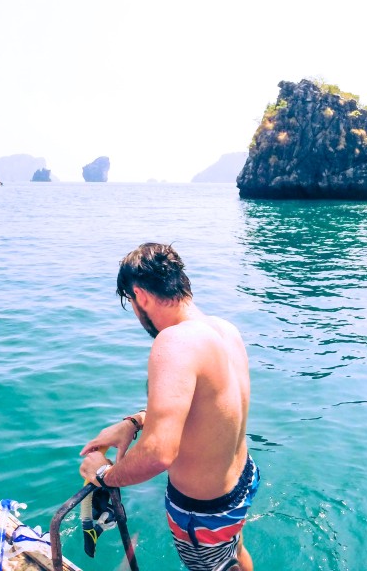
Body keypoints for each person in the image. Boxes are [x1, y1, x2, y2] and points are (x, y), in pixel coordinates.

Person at [80, 243, 259, 571]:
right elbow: (210, 405)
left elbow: (159, 454)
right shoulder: (223, 330)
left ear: (140, 296)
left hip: (204, 511)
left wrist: (104, 475)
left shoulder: (174, 342)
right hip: (242, 479)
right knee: (233, 551)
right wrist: (134, 423)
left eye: (131, 304)